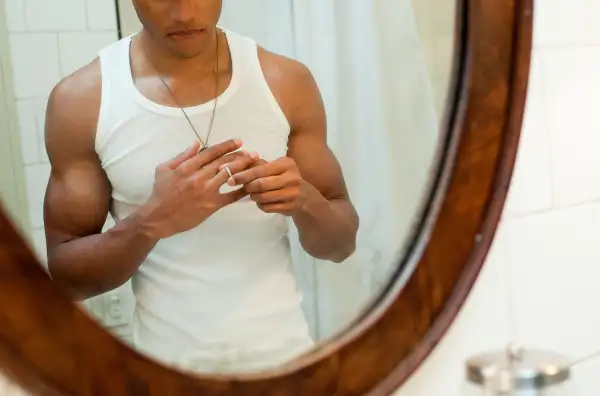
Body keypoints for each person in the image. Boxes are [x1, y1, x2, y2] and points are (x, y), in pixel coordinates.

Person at [43, 0, 359, 374]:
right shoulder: (82, 101)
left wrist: (305, 201)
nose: (184, 12)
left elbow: (341, 246)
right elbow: (68, 279)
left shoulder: (284, 81)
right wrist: (151, 221)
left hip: (287, 370)